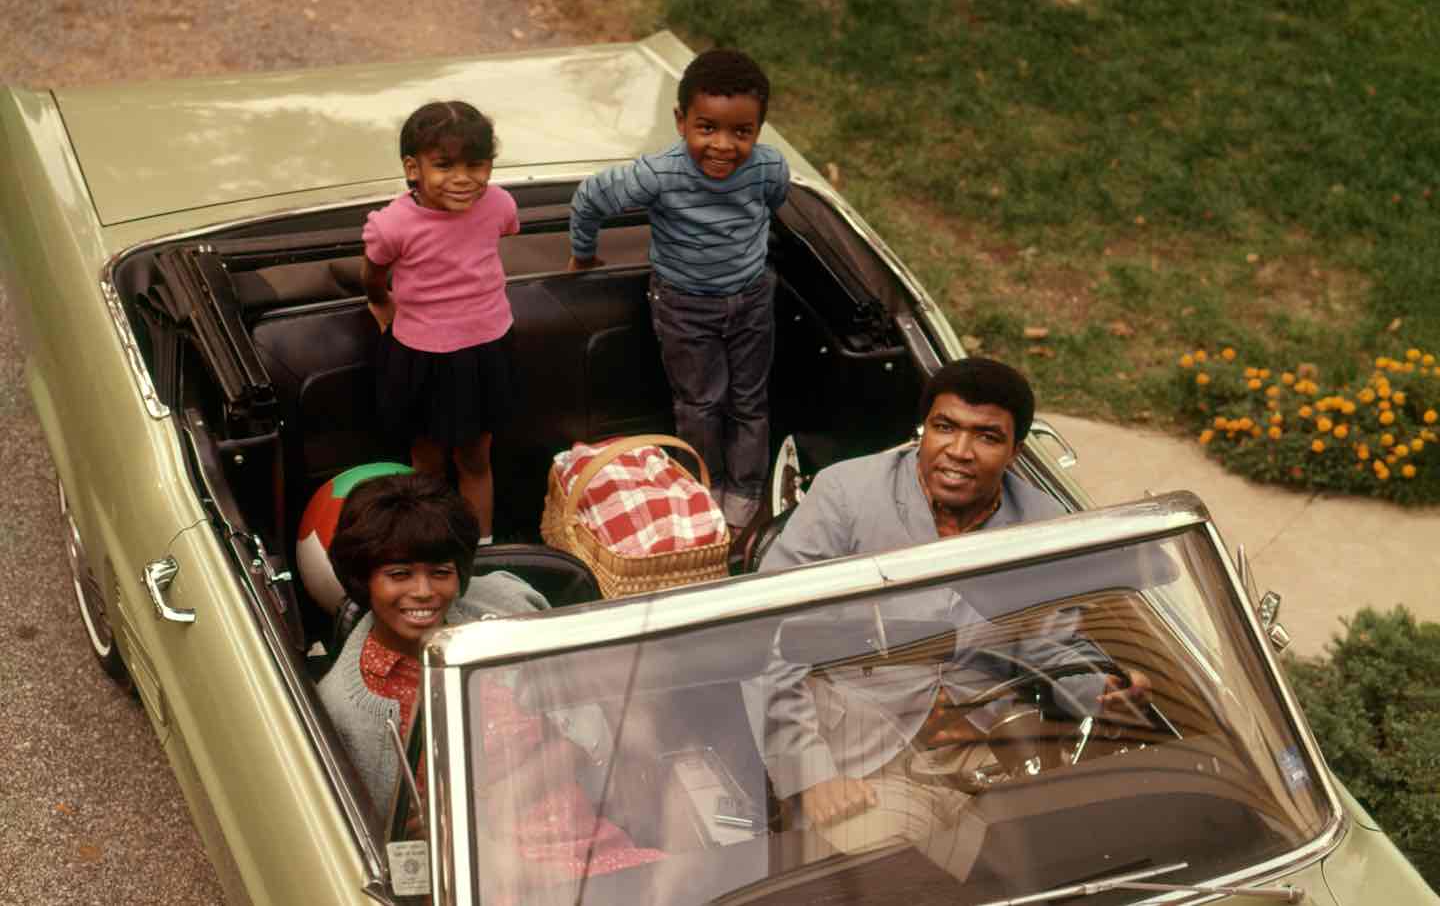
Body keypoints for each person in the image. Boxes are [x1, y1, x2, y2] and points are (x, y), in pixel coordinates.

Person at [748, 357, 1151, 874]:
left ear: (1014, 452)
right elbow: (769, 636)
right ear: (923, 431)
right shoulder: (845, 495)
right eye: (945, 428)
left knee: (1085, 862)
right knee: (889, 878)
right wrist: (809, 772)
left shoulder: (1044, 524)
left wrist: (1095, 686)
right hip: (860, 758)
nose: (959, 452)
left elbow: (1045, 641)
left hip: (989, 752)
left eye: (986, 436)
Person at [317, 473, 664, 892]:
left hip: (593, 846)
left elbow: (587, 731)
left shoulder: (508, 607)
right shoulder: (345, 707)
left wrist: (492, 800)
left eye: (440, 572)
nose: (424, 591)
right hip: (483, 881)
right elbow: (392, 856)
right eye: (400, 573)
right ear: (364, 580)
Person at [567, 48, 791, 530]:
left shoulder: (768, 168)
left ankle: (746, 488)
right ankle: (702, 485)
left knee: (750, 400)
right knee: (701, 403)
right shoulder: (658, 174)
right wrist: (583, 253)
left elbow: (773, 201)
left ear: (759, 129)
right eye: (706, 128)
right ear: (680, 120)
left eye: (741, 132)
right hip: (684, 307)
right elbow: (590, 198)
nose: (723, 145)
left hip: (751, 299)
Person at [362, 101, 520, 544]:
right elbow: (374, 273)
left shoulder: (499, 204)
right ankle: (428, 542)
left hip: (486, 350)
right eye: (444, 165)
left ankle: (481, 547)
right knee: (426, 458)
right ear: (413, 168)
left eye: (476, 164)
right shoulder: (392, 225)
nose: (463, 178)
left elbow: (492, 240)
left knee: (475, 458)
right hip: (422, 356)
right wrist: (381, 303)